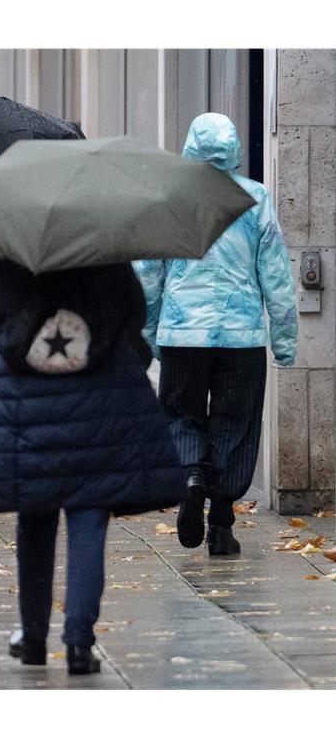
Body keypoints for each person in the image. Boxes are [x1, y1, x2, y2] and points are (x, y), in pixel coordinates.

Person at [0, 259, 185, 675]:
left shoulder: (21, 254)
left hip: (29, 401)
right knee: (89, 519)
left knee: (35, 520)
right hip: (98, 400)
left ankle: (33, 635)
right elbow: (134, 311)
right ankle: (79, 642)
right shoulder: (106, 254)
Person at [134, 112, 298, 556]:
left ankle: (190, 477)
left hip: (183, 333)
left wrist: (151, 334)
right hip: (241, 337)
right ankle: (221, 523)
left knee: (181, 416)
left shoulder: (169, 198)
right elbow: (277, 276)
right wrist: (284, 340)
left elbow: (148, 273)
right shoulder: (254, 199)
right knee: (236, 424)